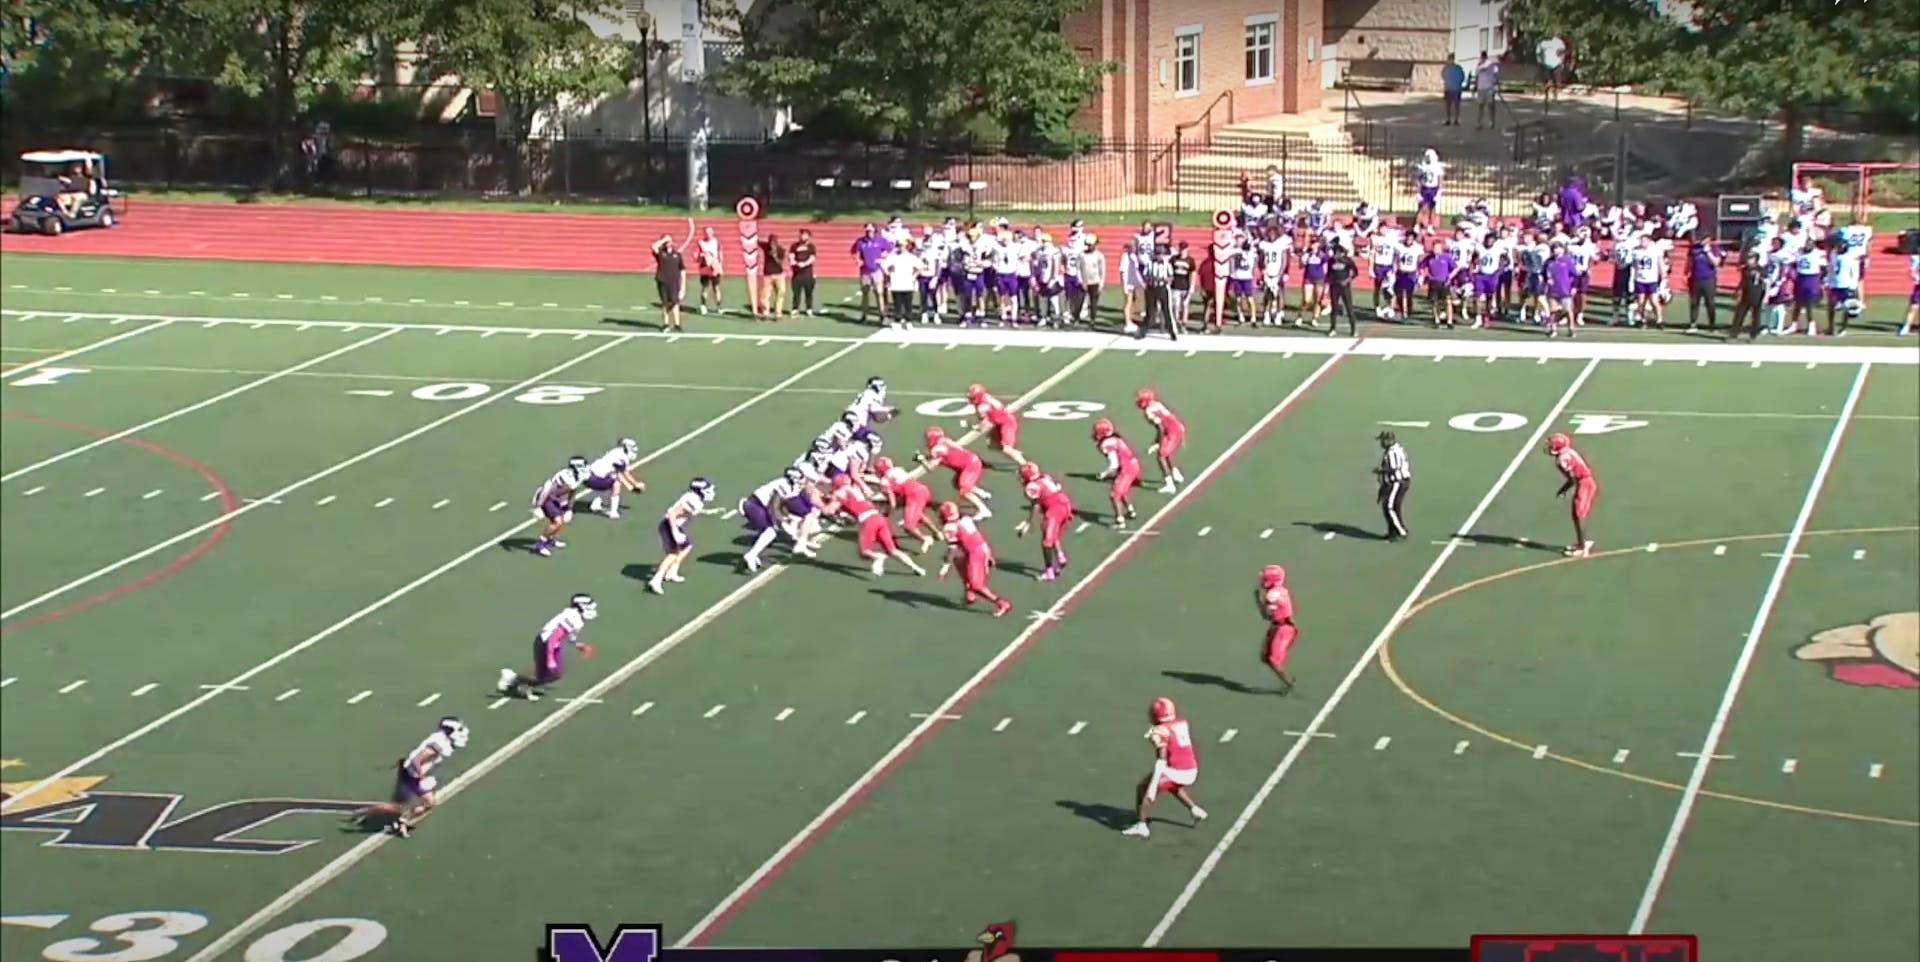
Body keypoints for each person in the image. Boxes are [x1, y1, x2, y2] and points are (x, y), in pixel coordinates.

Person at [1374, 431, 1411, 541]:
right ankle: (1393, 532)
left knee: (1389, 507)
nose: (1381, 443)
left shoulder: (1392, 452)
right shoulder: (1393, 450)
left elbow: (1394, 468)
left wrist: (1380, 471)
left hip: (1397, 482)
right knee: (1392, 507)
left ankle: (1401, 531)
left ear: (1388, 440)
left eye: (1382, 440)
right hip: (1394, 482)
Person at [651, 234, 686, 332]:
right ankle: (666, 324)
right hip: (662, 281)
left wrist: (683, 287)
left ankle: (677, 324)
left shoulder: (677, 254)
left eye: (669, 240)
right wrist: (663, 240)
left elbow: (683, 270)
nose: (668, 242)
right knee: (665, 303)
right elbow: (653, 247)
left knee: (675, 302)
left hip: (674, 282)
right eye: (666, 241)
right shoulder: (660, 253)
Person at [1324, 241, 1358, 336]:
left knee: (1349, 308)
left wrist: (1347, 280)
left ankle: (1353, 329)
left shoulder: (1347, 260)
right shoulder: (1331, 261)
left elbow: (1355, 273)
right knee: (1334, 308)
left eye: (1336, 253)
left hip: (1345, 287)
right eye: (1334, 253)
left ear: (1340, 253)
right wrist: (1327, 287)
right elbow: (1329, 274)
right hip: (1334, 287)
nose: (1335, 255)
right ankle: (1332, 328)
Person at [759, 233, 788, 321]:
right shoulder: (766, 247)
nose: (772, 244)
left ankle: (778, 312)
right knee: (765, 294)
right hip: (768, 274)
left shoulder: (781, 249)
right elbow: (756, 241)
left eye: (774, 242)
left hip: (779, 274)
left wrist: (775, 255)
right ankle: (765, 312)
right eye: (771, 242)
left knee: (781, 292)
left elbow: (780, 262)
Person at [789, 229, 817, 315]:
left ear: (808, 236)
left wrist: (804, 264)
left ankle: (809, 309)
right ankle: (795, 308)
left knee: (809, 292)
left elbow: (812, 258)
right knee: (796, 293)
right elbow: (791, 257)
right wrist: (795, 262)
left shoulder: (811, 246)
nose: (802, 236)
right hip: (797, 274)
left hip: (808, 274)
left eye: (804, 235)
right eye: (801, 235)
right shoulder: (794, 246)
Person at [1474, 52, 1500, 130]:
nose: (1480, 59)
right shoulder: (1478, 65)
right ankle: (1479, 123)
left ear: (1484, 57)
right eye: (1480, 58)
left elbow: (1496, 73)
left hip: (1489, 87)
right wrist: (1476, 86)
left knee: (1490, 105)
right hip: (1481, 88)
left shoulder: (1490, 64)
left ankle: (1492, 121)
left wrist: (1495, 83)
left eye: (1481, 57)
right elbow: (1477, 76)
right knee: (1480, 105)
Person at [1441, 54, 1467, 127]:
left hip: (1449, 88)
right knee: (1456, 105)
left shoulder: (1446, 68)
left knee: (1448, 105)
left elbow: (1443, 76)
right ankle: (1456, 119)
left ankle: (1449, 119)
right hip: (1456, 89)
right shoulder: (1458, 68)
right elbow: (1462, 77)